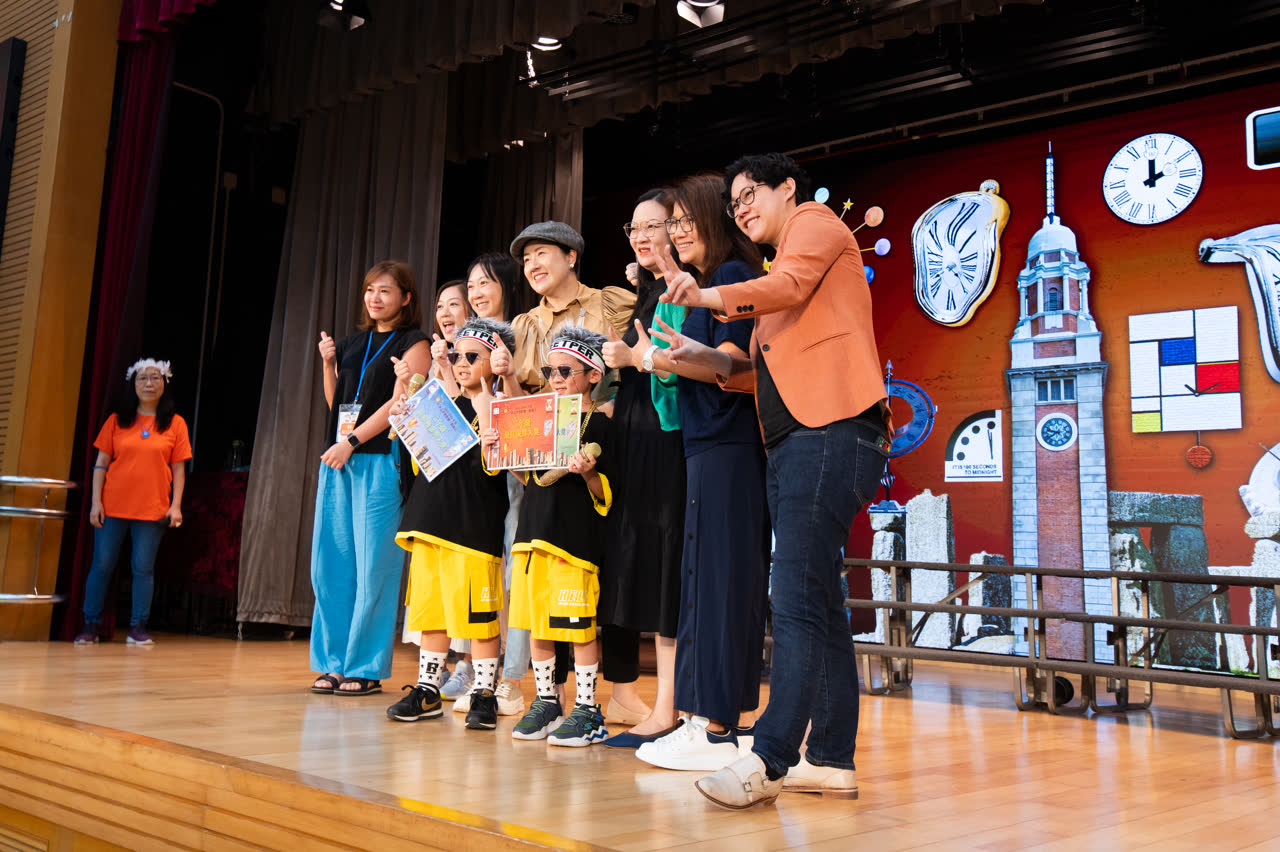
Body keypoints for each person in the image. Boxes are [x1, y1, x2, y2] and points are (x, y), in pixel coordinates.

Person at [654, 153, 890, 808]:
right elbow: (753, 375)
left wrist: (704, 297)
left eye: (751, 192)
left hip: (833, 431)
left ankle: (770, 757)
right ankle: (831, 759)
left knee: (792, 595)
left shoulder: (813, 225)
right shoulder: (776, 280)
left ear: (788, 188)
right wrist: (691, 355)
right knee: (818, 599)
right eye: (733, 203)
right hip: (793, 441)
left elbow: (784, 286)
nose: (742, 208)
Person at [626, 174, 770, 772]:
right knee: (703, 581)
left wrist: (658, 358)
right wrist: (664, 356)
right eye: (674, 223)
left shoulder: (732, 278)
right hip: (704, 444)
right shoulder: (704, 286)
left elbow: (734, 363)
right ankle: (704, 720)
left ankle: (717, 729)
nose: (679, 232)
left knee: (721, 583)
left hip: (730, 446)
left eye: (686, 221)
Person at [489, 326, 615, 747]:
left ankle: (587, 708)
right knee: (536, 625)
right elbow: (529, 476)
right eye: (550, 370)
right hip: (532, 537)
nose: (556, 378)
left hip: (574, 543)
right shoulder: (542, 418)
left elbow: (607, 494)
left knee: (578, 627)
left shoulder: (601, 423)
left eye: (565, 370)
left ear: (593, 375)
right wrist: (501, 450)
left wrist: (590, 473)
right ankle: (547, 701)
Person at [310, 260, 431, 696]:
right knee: (330, 566)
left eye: (385, 290)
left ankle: (365, 666)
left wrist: (353, 441)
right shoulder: (351, 342)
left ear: (406, 298)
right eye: (369, 290)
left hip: (379, 459)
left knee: (373, 568)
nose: (374, 298)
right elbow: (338, 403)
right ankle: (334, 663)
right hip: (339, 459)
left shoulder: (415, 342)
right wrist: (329, 365)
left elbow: (401, 403)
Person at [386, 318, 513, 731]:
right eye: (457, 354)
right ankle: (427, 688)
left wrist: (489, 413)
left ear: (495, 361)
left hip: (473, 530)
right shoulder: (438, 400)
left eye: (473, 356)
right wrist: (405, 415)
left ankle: (484, 691)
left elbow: (499, 469)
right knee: (431, 613)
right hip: (429, 523)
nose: (461, 362)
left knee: (479, 618)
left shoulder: (500, 409)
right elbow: (414, 452)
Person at [598, 188, 687, 744]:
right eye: (634, 228)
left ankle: (670, 706)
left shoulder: (681, 289)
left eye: (653, 226)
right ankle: (652, 701)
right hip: (635, 441)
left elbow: (676, 367)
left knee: (665, 566)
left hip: (666, 442)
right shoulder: (649, 292)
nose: (641, 237)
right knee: (643, 564)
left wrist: (634, 357)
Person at [448, 252, 535, 716]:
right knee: (479, 569)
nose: (477, 292)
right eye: (472, 285)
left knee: (514, 572)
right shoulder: (463, 340)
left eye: (486, 283)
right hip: (475, 472)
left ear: (506, 286)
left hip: (515, 463)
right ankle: (473, 667)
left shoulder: (524, 331)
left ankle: (511, 678)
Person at [75, 359, 191, 645]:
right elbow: (101, 464)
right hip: (113, 505)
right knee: (102, 564)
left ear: (165, 383)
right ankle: (90, 624)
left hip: (153, 508)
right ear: (133, 384)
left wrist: (176, 505)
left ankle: (138, 626)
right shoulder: (116, 420)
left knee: (143, 567)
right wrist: (95, 503)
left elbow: (178, 469)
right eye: (142, 378)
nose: (148, 383)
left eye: (155, 378)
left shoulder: (176, 423)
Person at [506, 221, 636, 394]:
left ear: (571, 257)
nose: (533, 266)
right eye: (527, 259)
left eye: (541, 253)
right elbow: (517, 400)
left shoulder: (611, 304)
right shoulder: (525, 326)